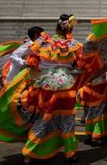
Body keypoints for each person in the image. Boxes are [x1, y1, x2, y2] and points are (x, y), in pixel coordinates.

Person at [22, 14, 84, 164]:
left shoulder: (43, 41)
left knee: (44, 117)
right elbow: (79, 65)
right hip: (66, 86)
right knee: (67, 118)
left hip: (46, 84)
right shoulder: (73, 45)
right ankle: (70, 153)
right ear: (69, 28)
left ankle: (30, 153)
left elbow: (31, 61)